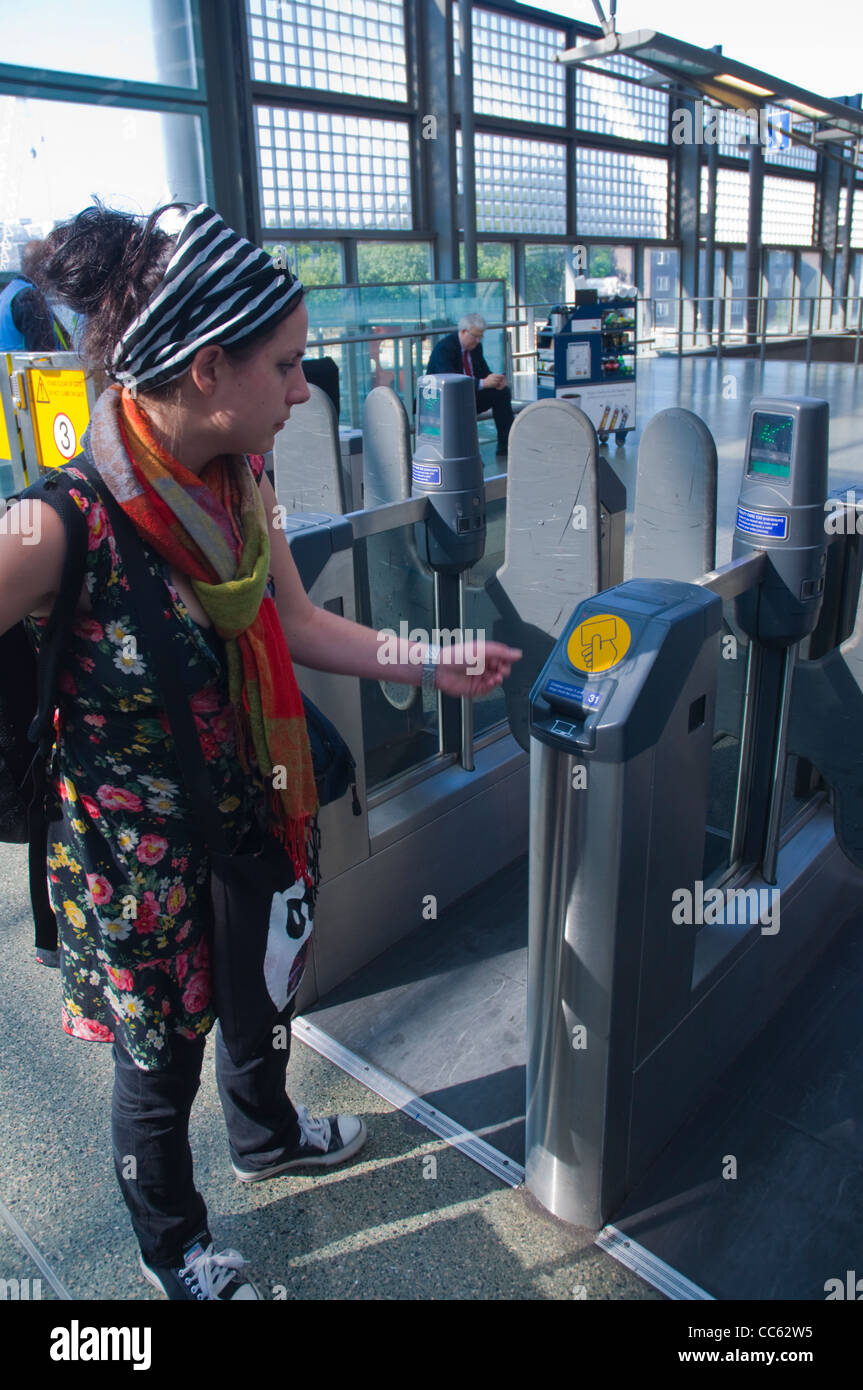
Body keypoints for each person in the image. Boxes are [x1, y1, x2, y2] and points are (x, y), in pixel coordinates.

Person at [0, 202, 521, 1301]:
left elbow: (294, 625)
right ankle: (172, 1244)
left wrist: (433, 657)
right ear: (204, 369)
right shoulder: (62, 524)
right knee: (158, 1057)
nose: (301, 389)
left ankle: (267, 1136)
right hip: (134, 866)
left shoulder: (245, 487)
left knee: (263, 991)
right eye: (284, 366)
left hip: (249, 802)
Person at [426, 312, 514, 456]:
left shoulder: (475, 348)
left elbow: (483, 372)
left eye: (481, 337)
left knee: (502, 393)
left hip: (469, 395)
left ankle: (506, 445)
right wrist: (482, 383)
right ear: (463, 331)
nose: (478, 340)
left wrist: (495, 380)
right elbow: (450, 383)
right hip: (445, 400)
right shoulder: (445, 348)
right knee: (461, 404)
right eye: (475, 336)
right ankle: (467, 454)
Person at [0, 242, 70, 351]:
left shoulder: (8, 293)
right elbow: (43, 354)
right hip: (23, 367)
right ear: (44, 265)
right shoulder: (29, 297)